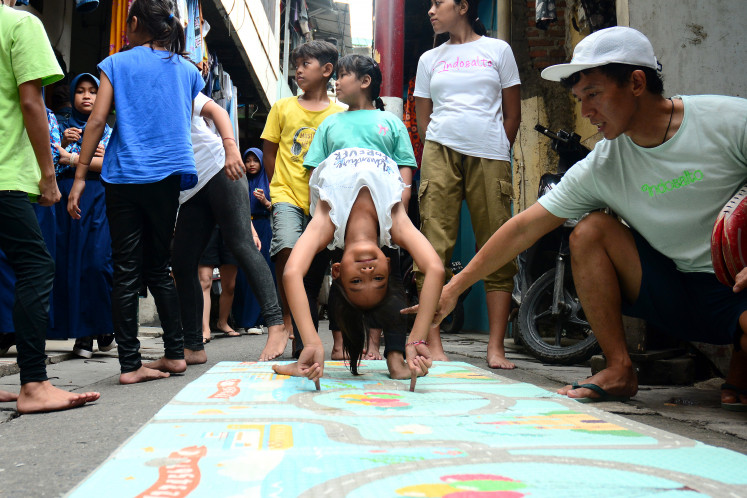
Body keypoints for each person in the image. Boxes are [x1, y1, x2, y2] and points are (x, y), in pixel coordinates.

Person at [408, 26, 747, 410]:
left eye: (594, 94)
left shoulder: (729, 120)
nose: (586, 111)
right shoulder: (604, 163)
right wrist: (452, 289)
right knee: (589, 231)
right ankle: (619, 369)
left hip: (736, 287)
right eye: (579, 98)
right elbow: (523, 228)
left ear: (636, 82)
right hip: (673, 292)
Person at [273, 54, 444, 383]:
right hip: (388, 205)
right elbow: (435, 268)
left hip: (326, 205)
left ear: (337, 271)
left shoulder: (327, 222)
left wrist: (312, 343)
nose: (368, 273)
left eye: (356, 281)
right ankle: (398, 356)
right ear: (385, 266)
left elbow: (291, 271)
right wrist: (418, 339)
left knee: (302, 277)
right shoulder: (394, 222)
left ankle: (306, 356)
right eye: (378, 279)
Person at [67, 0, 204, 384]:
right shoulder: (189, 71)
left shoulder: (116, 63)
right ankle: (175, 354)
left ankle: (130, 365)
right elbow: (171, 114)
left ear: (135, 22)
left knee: (126, 268)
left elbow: (97, 120)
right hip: (168, 174)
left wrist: (79, 176)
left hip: (125, 174)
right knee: (159, 266)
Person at [0, 0, 99, 412]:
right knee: (36, 265)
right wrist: (46, 174)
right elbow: (30, 103)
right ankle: (34, 383)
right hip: (6, 174)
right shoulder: (19, 23)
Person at [413, 0, 522, 369]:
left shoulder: (498, 50)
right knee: (433, 244)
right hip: (440, 152)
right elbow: (424, 117)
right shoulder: (430, 58)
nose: (430, 10)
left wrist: (496, 145)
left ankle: (496, 347)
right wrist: (440, 143)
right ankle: (434, 342)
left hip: (490, 153)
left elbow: (513, 112)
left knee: (497, 240)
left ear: (462, 6)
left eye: (437, 3)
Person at [170, 90, 285, 366]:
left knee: (241, 245)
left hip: (220, 167)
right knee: (183, 263)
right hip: (189, 190)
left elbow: (219, 112)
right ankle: (194, 345)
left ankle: (276, 324)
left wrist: (231, 148)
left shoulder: (177, 76)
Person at [259, 40, 345, 361]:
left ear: (326, 70)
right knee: (285, 249)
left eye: (305, 64)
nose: (297, 70)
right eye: (296, 64)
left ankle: (308, 324)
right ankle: (285, 322)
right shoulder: (283, 107)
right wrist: (277, 186)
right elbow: (270, 151)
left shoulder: (339, 114)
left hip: (324, 202)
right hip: (287, 194)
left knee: (316, 269)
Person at [54, 73, 115, 358]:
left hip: (99, 198)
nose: (87, 96)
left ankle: (102, 326)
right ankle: (84, 335)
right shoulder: (60, 126)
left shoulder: (109, 131)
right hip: (66, 198)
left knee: (97, 262)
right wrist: (65, 148)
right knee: (70, 265)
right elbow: (52, 160)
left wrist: (78, 159)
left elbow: (112, 166)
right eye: (81, 91)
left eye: (93, 91)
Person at [232, 147, 275, 335]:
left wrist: (265, 201)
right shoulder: (238, 181)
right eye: (247, 160)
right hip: (242, 228)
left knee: (262, 272)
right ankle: (242, 318)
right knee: (242, 275)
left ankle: (257, 319)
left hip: (263, 228)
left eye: (255, 160)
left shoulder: (269, 181)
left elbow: (277, 208)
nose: (251, 164)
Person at [197, 227, 240, 341]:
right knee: (205, 281)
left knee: (230, 285)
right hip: (206, 227)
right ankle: (205, 329)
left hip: (229, 227)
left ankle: (222, 322)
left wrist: (253, 233)